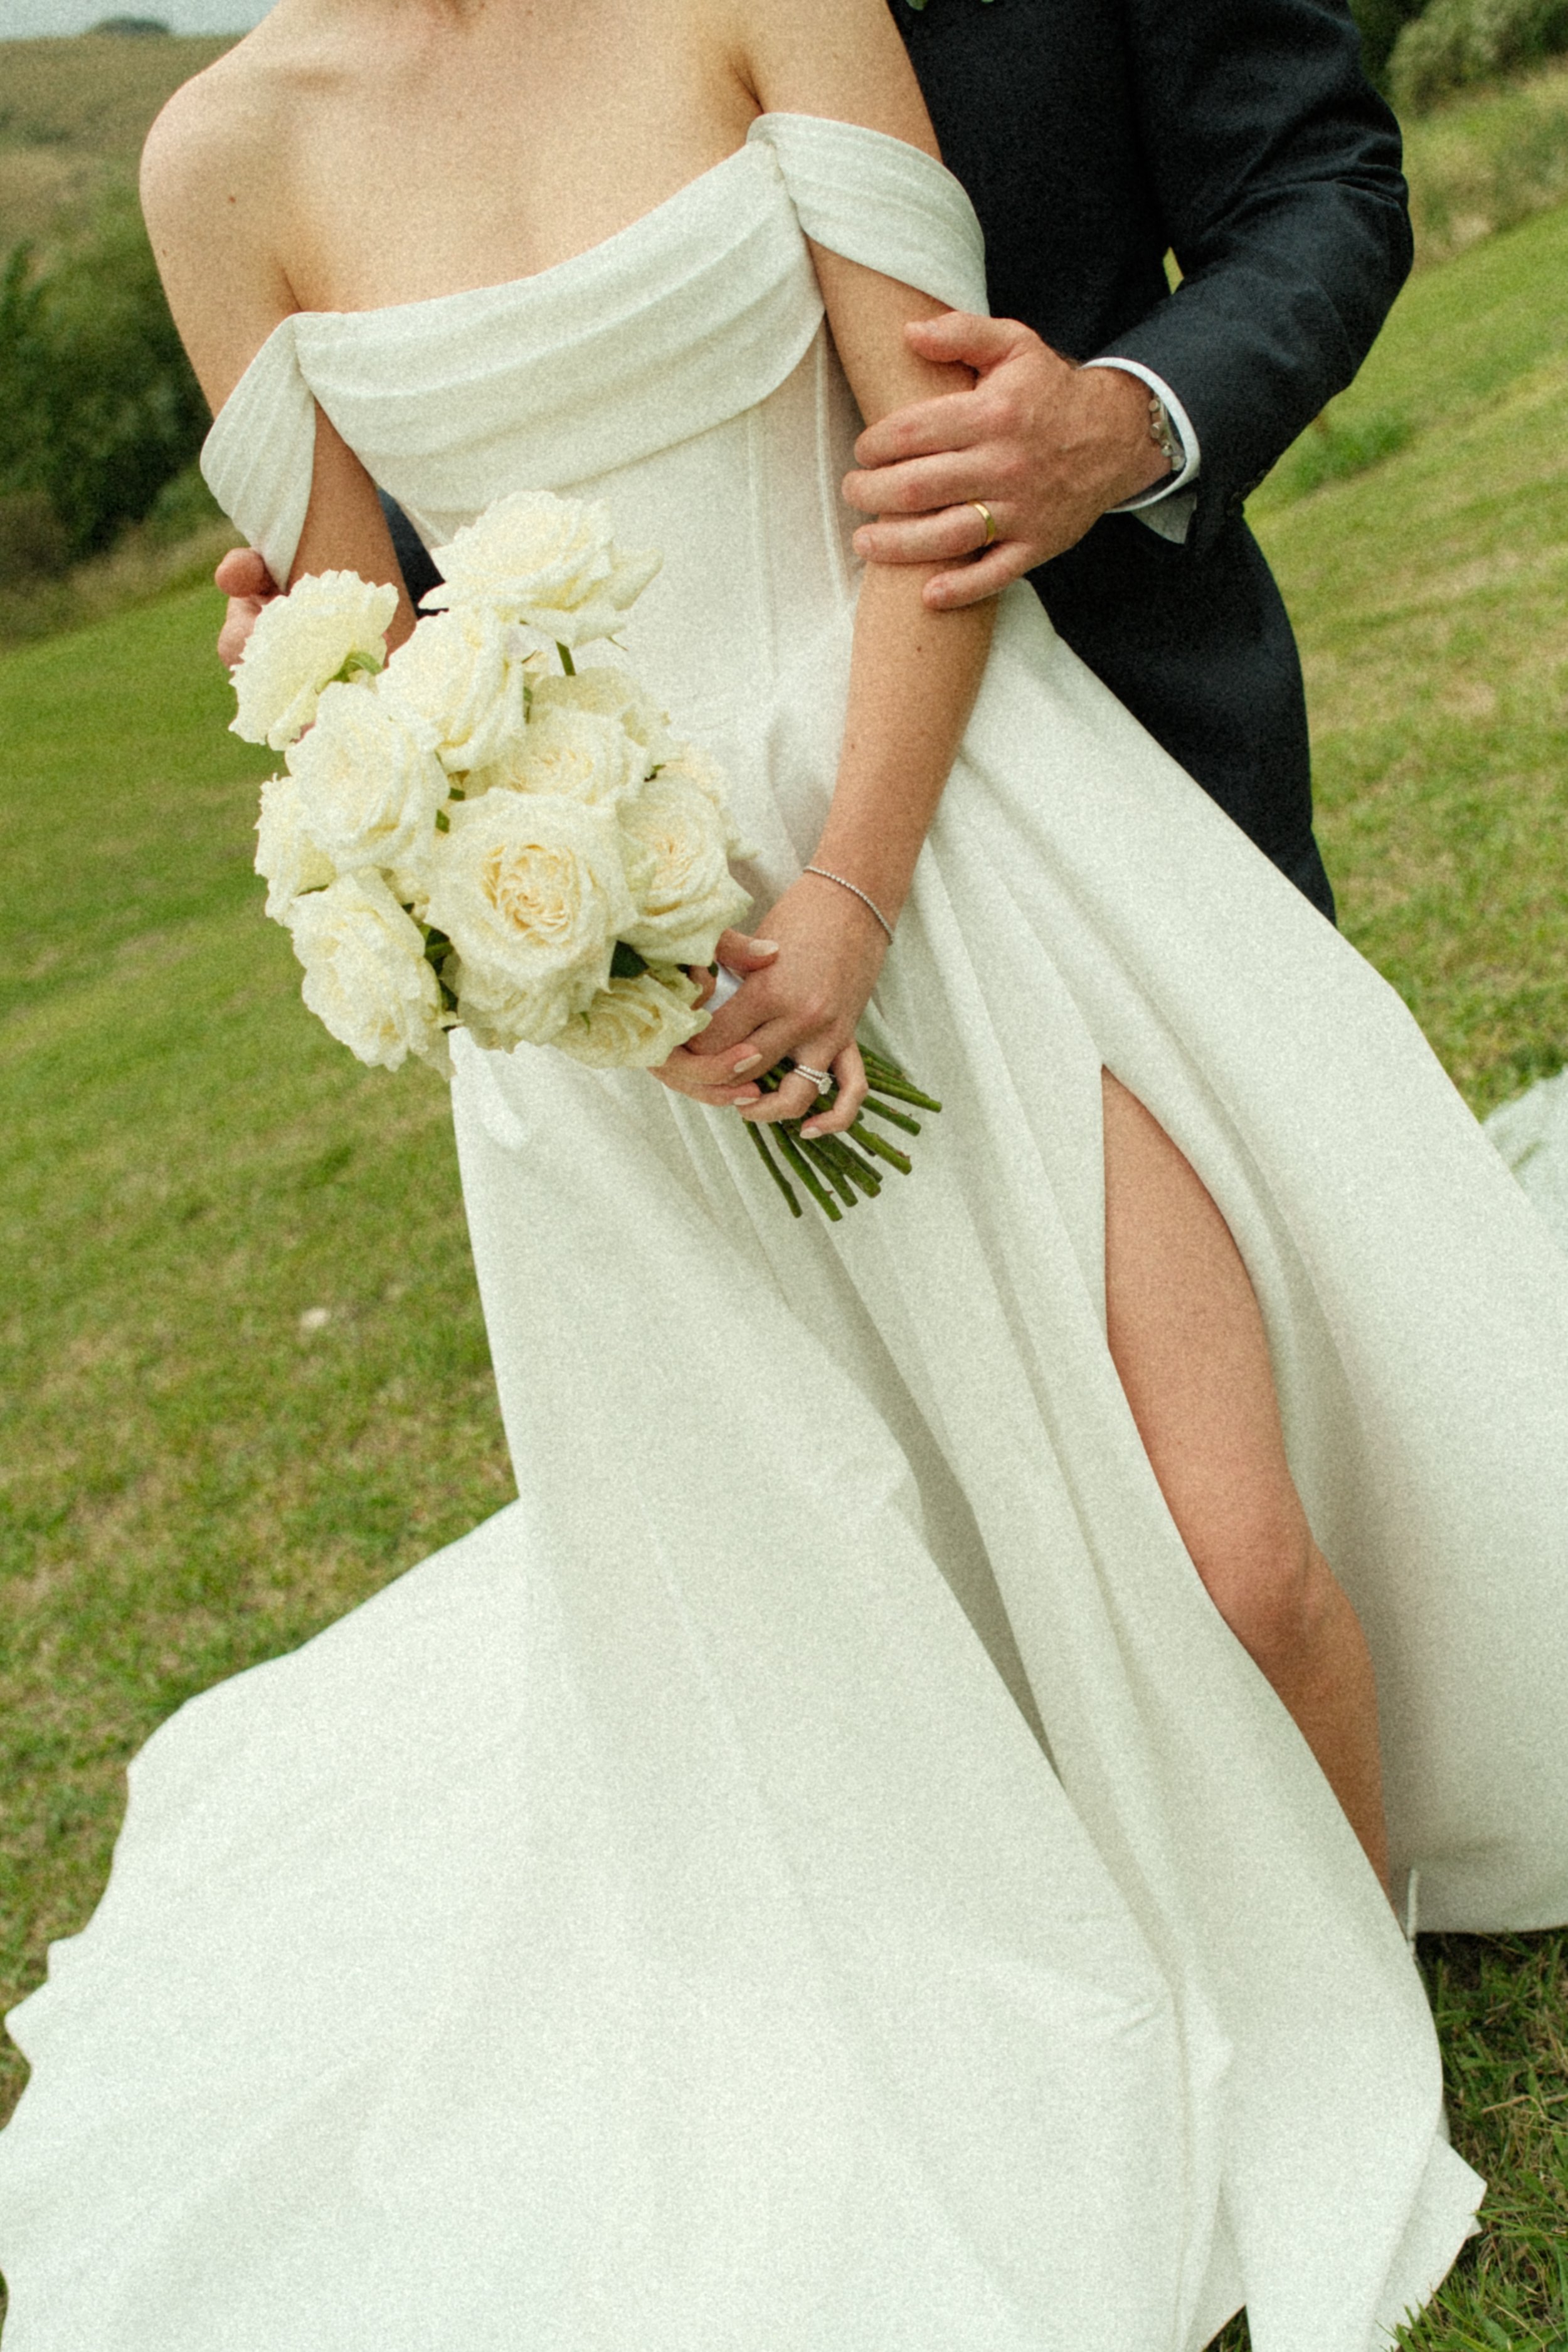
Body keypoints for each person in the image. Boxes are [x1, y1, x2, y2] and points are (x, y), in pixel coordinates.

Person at [1, 2, 1565, 2346]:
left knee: (1241, 1557)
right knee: (861, 1619)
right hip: (609, 1020)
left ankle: (1350, 2019)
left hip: (977, 841)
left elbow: (933, 463)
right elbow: (354, 640)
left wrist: (842, 896)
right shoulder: (222, 162)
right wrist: (498, 889)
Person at [214, 0, 1412, 926]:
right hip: (712, 865)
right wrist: (382, 596)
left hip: (1127, 702)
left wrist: (1121, 423)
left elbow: (1319, 185)